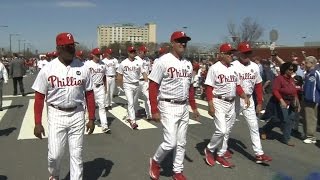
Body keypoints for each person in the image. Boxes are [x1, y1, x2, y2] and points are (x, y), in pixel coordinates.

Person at [32, 32, 96, 180]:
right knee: (55, 155)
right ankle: (54, 175)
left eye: (73, 45)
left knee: (77, 155)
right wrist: (37, 122)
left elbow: (90, 94)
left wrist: (91, 118)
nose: (72, 49)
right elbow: (39, 97)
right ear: (59, 49)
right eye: (68, 46)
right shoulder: (48, 69)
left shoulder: (83, 67)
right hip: (56, 114)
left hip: (77, 113)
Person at [148, 31, 200, 180]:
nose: (183, 44)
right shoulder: (163, 61)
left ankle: (177, 171)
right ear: (172, 43)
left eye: (185, 41)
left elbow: (190, 87)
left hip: (183, 106)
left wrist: (194, 106)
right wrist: (154, 109)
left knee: (182, 141)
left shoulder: (187, 63)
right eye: (179, 41)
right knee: (170, 142)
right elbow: (153, 85)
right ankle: (156, 161)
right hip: (168, 104)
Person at [218, 42, 272, 164]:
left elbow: (258, 85)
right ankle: (222, 149)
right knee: (229, 125)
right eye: (245, 53)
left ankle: (259, 153)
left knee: (254, 126)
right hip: (237, 99)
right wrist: (242, 95)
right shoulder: (233, 65)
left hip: (249, 99)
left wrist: (259, 102)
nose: (247, 55)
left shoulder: (255, 66)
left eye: (249, 52)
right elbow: (234, 84)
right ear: (239, 53)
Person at [202, 43, 249, 168]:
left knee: (227, 131)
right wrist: (210, 105)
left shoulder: (233, 68)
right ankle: (210, 149)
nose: (231, 55)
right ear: (221, 54)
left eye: (232, 53)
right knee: (221, 130)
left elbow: (237, 86)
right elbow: (208, 88)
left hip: (232, 103)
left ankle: (221, 155)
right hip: (219, 101)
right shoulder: (214, 68)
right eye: (228, 53)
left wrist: (244, 96)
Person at [260, 62, 300, 146]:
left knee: (290, 120)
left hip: (291, 102)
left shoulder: (291, 79)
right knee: (280, 119)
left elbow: (294, 92)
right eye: (290, 69)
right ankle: (265, 130)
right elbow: (275, 90)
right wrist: (281, 100)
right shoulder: (279, 78)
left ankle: (286, 138)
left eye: (293, 69)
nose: (292, 71)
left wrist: (298, 103)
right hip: (279, 101)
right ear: (285, 70)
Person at [117, 46, 148, 130]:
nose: (133, 53)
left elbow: (144, 72)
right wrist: (119, 85)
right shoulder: (123, 63)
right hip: (127, 85)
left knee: (134, 102)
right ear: (128, 53)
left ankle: (129, 116)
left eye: (134, 52)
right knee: (130, 102)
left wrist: (146, 82)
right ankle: (133, 121)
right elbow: (119, 75)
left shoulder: (139, 62)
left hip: (136, 84)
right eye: (131, 52)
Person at [85, 48, 110, 133]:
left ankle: (104, 125)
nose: (98, 56)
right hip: (90, 88)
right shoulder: (87, 64)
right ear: (92, 55)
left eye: (99, 54)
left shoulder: (103, 64)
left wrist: (105, 87)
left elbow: (104, 76)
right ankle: (88, 120)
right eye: (96, 54)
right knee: (88, 106)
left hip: (100, 87)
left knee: (102, 106)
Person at [302, 56, 319, 144]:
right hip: (305, 99)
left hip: (312, 100)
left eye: (306, 62)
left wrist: (316, 98)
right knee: (305, 117)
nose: (304, 63)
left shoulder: (315, 73)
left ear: (312, 63)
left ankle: (311, 137)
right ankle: (306, 134)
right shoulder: (307, 73)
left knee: (311, 118)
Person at [134, 45, 152, 120]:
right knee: (135, 98)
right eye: (144, 52)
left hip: (145, 81)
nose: (145, 53)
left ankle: (149, 114)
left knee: (147, 98)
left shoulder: (147, 59)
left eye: (146, 52)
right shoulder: (135, 59)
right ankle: (135, 111)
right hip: (137, 81)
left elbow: (150, 70)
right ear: (140, 52)